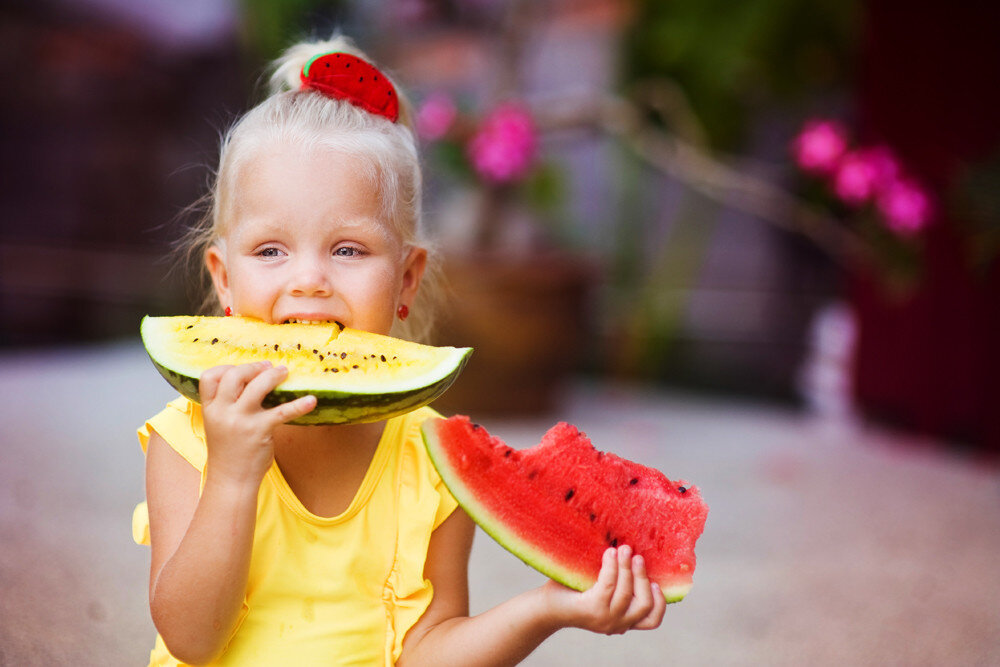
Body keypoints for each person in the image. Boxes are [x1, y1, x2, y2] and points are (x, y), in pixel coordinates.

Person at [133, 35, 666, 666]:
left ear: (407, 279)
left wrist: (547, 607)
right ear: (223, 278)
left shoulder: (435, 458)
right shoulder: (187, 438)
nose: (308, 280)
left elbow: (427, 652)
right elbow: (191, 640)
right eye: (270, 250)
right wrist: (230, 478)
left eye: (349, 250)